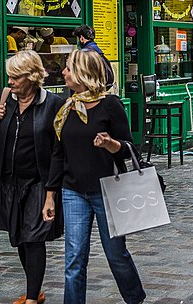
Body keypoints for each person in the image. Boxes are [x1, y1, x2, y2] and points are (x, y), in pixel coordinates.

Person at [45, 49, 146, 304]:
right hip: (73, 191)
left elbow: (130, 149)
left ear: (83, 73)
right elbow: (58, 154)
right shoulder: (67, 108)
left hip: (108, 191)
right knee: (74, 259)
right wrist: (50, 195)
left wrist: (111, 144)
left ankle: (135, 299)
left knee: (116, 255)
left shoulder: (110, 105)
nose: (64, 72)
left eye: (69, 68)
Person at [0, 50, 65, 304]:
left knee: (33, 238)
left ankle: (31, 298)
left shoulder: (53, 104)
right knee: (19, 237)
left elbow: (59, 148)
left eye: (16, 77)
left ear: (32, 77)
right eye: (9, 76)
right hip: (9, 181)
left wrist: (53, 189)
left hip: (38, 181)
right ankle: (35, 290)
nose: (10, 82)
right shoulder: (3, 98)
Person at [73, 24, 115, 88]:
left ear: (81, 38)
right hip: (101, 88)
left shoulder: (85, 53)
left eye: (78, 39)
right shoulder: (98, 51)